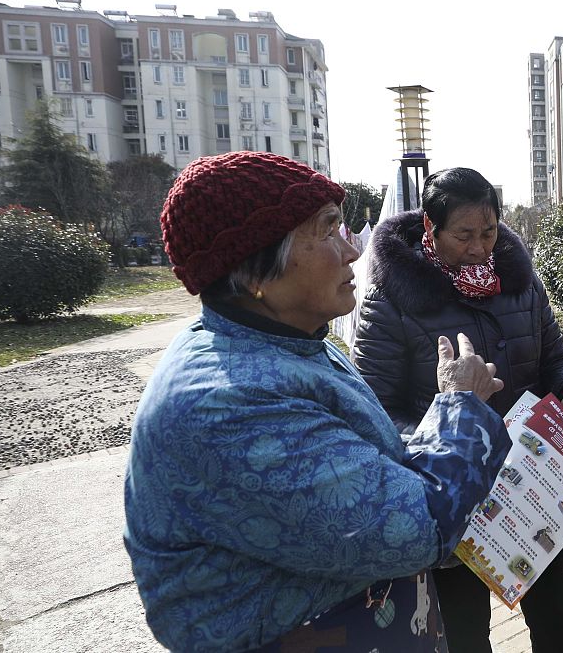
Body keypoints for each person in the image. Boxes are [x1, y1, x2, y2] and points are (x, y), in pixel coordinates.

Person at [124, 153, 512, 652]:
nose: (351, 250)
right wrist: (460, 407)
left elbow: (370, 460)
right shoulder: (228, 405)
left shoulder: (294, 343)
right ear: (255, 269)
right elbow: (418, 527)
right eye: (328, 230)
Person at [352, 167, 563, 653]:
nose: (480, 248)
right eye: (464, 236)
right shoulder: (391, 299)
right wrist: (453, 428)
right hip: (452, 495)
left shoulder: (520, 281)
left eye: (489, 232)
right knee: (464, 633)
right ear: (430, 227)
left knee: (554, 615)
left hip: (531, 486)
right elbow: (376, 411)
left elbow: (555, 355)